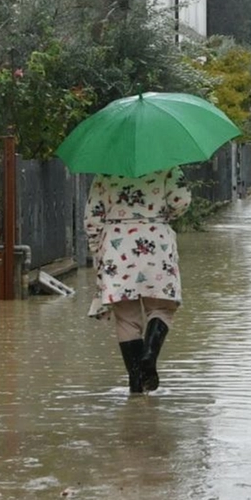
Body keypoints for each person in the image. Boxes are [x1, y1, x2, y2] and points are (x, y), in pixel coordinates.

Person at [85, 166, 192, 394]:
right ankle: (149, 356)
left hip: (116, 245)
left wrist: (97, 248)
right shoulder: (167, 167)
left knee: (126, 320)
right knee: (162, 308)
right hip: (157, 241)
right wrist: (160, 216)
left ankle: (136, 384)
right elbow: (181, 200)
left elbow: (92, 217)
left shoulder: (104, 172)